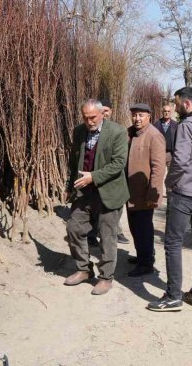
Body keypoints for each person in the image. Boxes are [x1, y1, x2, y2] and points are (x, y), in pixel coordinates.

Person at [147, 87, 192, 312]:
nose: (175, 107)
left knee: (172, 243)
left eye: (177, 103)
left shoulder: (187, 126)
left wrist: (170, 183)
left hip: (185, 193)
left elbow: (179, 161)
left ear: (187, 104)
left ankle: (172, 297)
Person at [64, 99, 129, 295]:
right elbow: (74, 160)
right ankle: (84, 269)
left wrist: (94, 176)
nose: (89, 121)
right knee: (73, 228)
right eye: (85, 117)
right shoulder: (79, 132)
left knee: (107, 236)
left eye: (92, 117)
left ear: (103, 114)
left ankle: (105, 277)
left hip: (109, 192)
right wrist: (70, 186)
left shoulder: (117, 132)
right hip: (84, 192)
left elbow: (118, 163)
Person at [125, 103, 166, 276]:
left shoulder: (154, 136)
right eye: (134, 115)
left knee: (144, 228)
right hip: (130, 191)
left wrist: (153, 193)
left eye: (141, 115)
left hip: (144, 193)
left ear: (149, 116)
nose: (137, 118)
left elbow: (158, 168)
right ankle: (142, 255)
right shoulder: (130, 133)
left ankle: (146, 263)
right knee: (134, 226)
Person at [88, 99, 130, 246]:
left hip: (110, 181)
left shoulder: (117, 130)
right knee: (94, 210)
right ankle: (92, 234)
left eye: (107, 111)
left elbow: (119, 161)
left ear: (110, 112)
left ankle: (116, 233)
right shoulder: (88, 129)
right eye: (102, 111)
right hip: (92, 182)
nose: (105, 113)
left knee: (110, 214)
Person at [153, 103, 178, 169]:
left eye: (168, 111)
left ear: (171, 112)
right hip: (158, 153)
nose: (166, 113)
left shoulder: (175, 125)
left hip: (170, 154)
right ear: (162, 112)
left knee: (171, 174)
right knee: (158, 172)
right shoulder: (156, 124)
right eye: (165, 111)